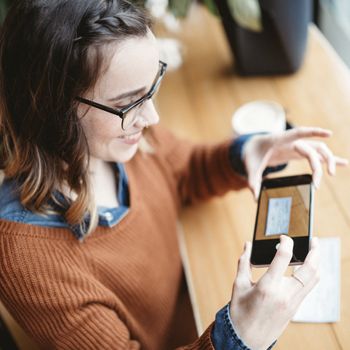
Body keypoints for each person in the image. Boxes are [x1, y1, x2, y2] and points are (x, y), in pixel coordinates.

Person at [0, 1, 347, 349]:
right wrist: (239, 337)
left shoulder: (118, 137)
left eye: (151, 87)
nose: (151, 117)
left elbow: (183, 170)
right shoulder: (27, 259)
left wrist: (246, 153)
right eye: (128, 101)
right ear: (49, 108)